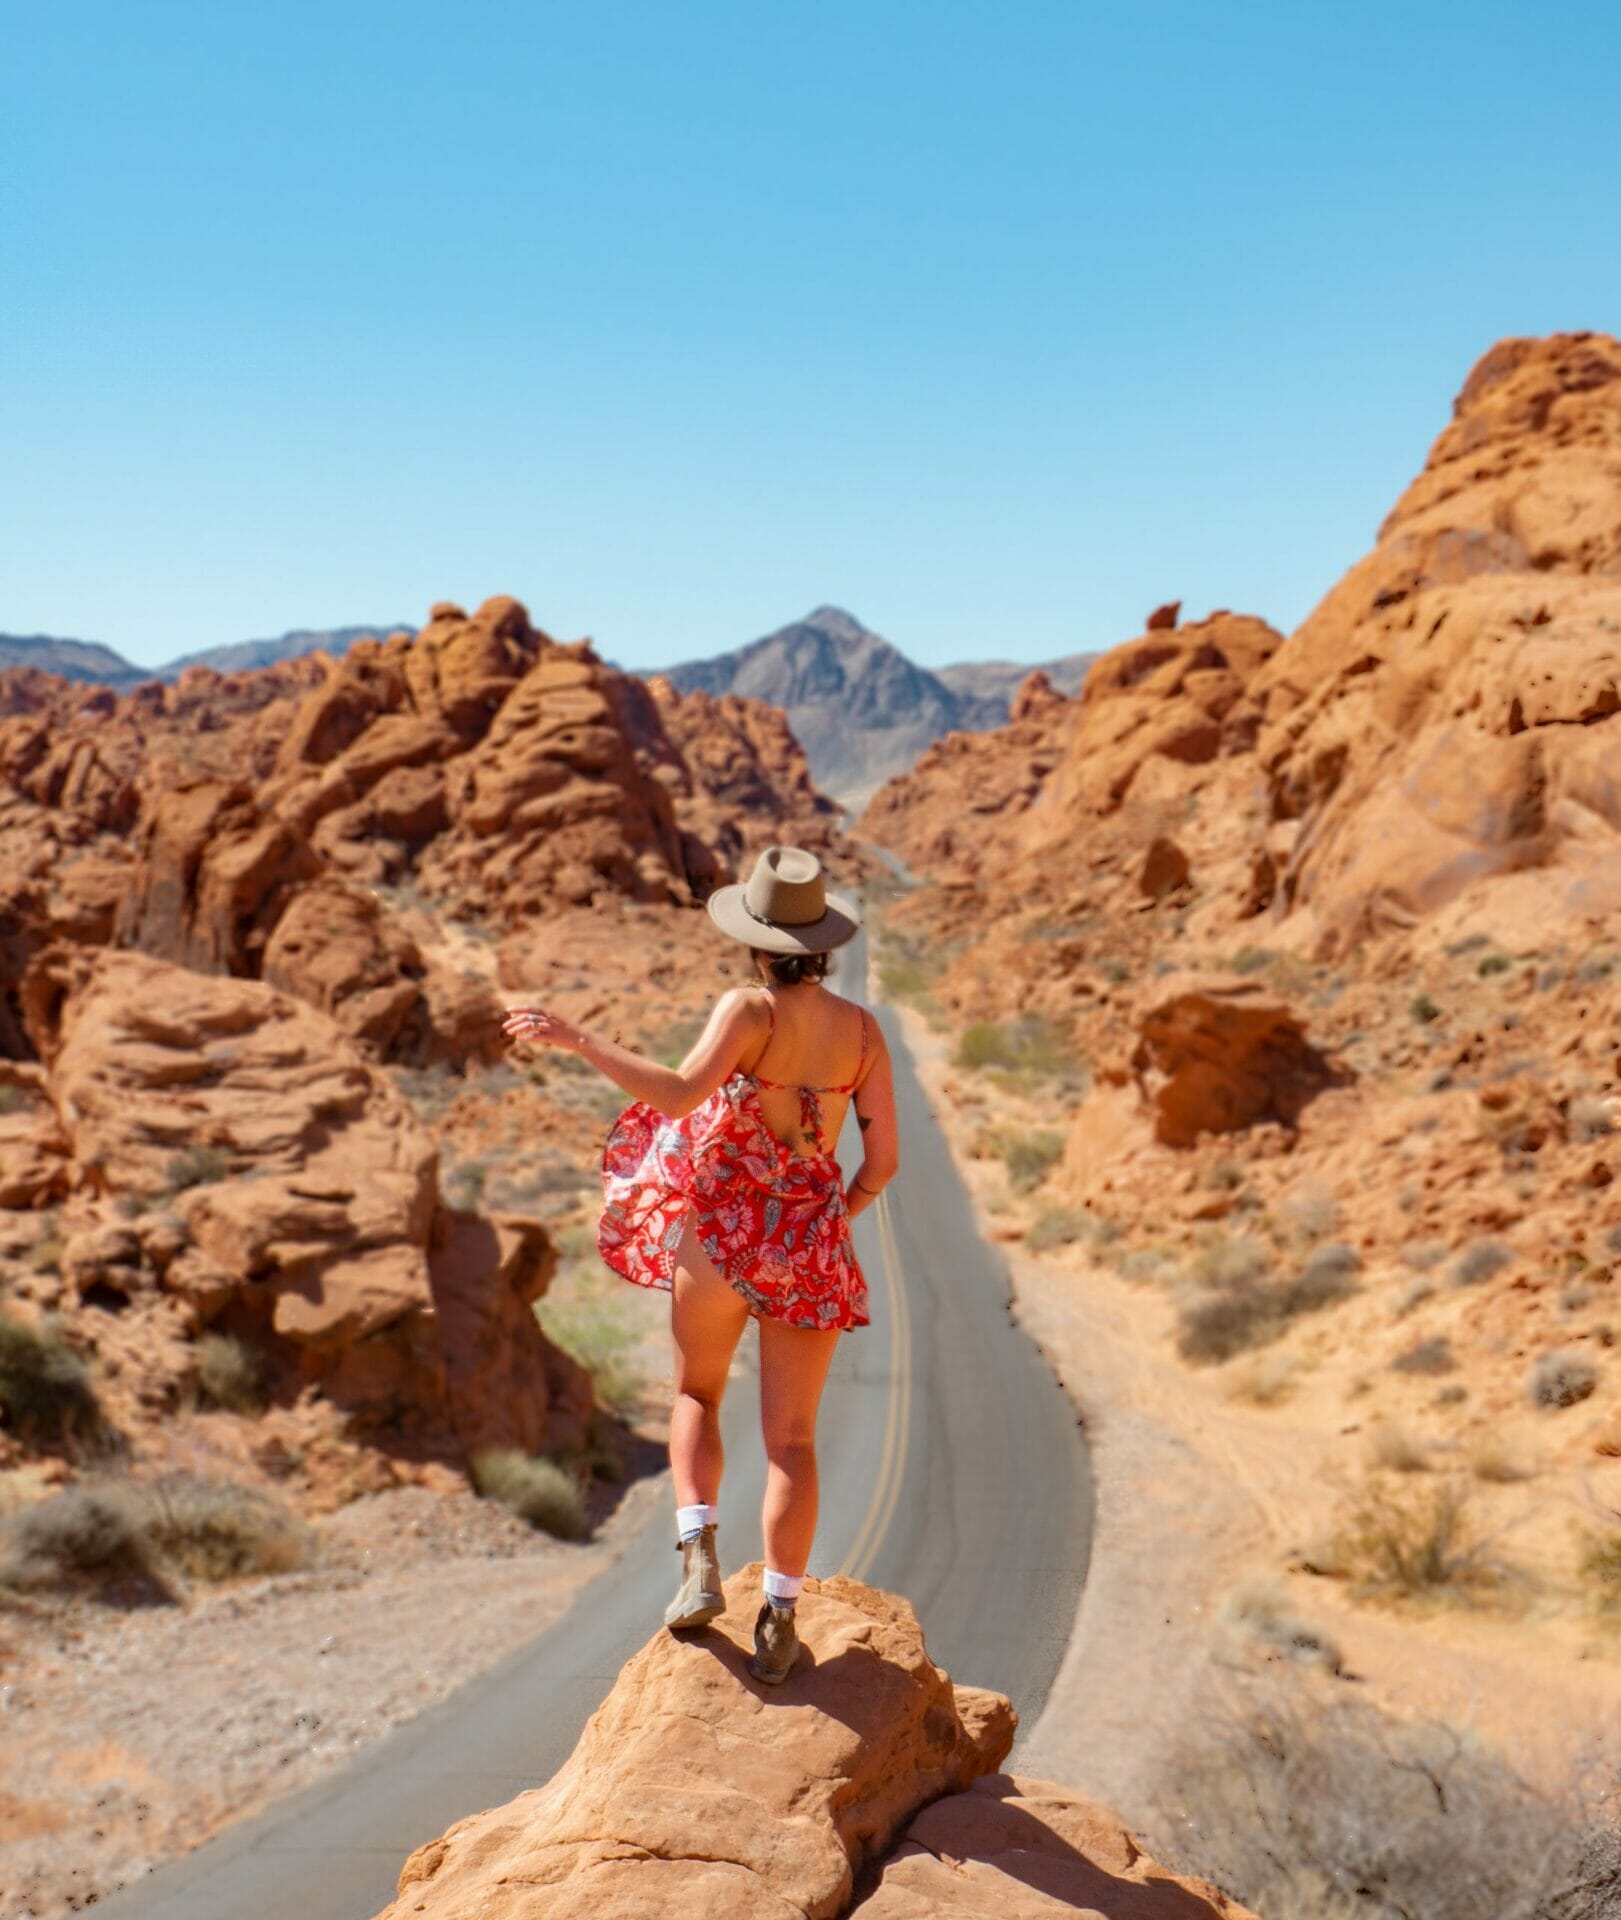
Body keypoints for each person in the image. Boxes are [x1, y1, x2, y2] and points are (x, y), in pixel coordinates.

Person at [502, 845, 898, 1685]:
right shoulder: (862, 1033)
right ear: (821, 944)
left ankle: (697, 1566)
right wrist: (827, 1217)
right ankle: (782, 1617)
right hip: (809, 1250)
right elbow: (882, 1164)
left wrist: (576, 1038)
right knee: (792, 1439)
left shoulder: (749, 1010)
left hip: (720, 1236)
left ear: (757, 942)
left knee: (695, 1394)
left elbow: (680, 1095)